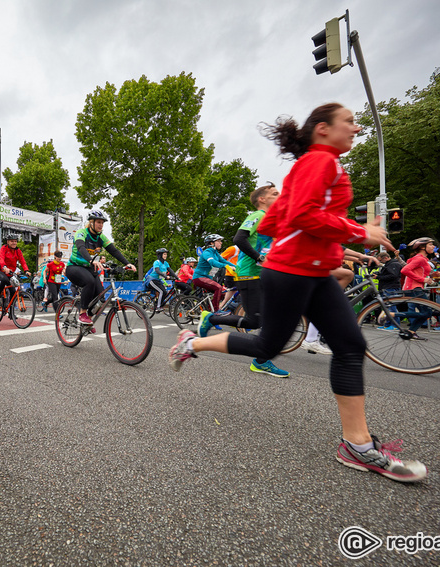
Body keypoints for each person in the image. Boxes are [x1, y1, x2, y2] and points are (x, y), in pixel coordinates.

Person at [169, 102, 426, 482]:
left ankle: (357, 444)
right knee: (265, 345)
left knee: (350, 346)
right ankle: (192, 342)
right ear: (323, 129)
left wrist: (337, 238)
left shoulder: (320, 165)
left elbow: (276, 222)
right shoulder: (318, 162)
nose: (356, 128)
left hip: (313, 270)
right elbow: (298, 218)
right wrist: (359, 233)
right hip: (290, 272)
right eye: (349, 122)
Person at [199, 183, 291, 377]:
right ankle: (211, 318)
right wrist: (260, 258)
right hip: (249, 272)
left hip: (264, 274)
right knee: (254, 321)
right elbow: (239, 238)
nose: (279, 196)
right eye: (275, 194)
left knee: (271, 316)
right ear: (262, 200)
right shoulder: (257, 216)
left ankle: (261, 360)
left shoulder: (274, 221)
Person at [66, 210, 135, 325]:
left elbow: (113, 250)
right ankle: (82, 314)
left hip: (89, 268)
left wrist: (127, 263)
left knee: (101, 298)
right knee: (89, 282)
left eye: (102, 223)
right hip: (74, 267)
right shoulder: (81, 233)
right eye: (98, 222)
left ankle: (87, 321)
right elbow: (81, 247)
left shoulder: (101, 237)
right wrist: (90, 260)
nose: (101, 225)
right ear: (91, 222)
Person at [399, 237, 438, 339]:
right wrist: (422, 279)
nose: (433, 246)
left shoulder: (423, 259)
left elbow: (419, 272)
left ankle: (411, 332)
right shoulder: (419, 258)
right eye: (430, 245)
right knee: (426, 312)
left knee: (426, 313)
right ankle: (391, 314)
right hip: (413, 288)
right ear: (422, 247)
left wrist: (432, 276)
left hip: (416, 288)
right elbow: (404, 270)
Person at [191, 234, 236, 313]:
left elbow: (224, 261)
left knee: (223, 293)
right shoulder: (207, 252)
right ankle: (216, 311)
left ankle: (209, 310)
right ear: (212, 243)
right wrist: (226, 266)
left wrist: (238, 267)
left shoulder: (215, 253)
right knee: (218, 288)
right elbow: (213, 262)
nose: (221, 243)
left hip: (206, 277)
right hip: (199, 277)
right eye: (218, 241)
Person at [0, 235, 30, 306]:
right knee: (4, 280)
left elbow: (22, 261)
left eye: (15, 241)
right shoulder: (4, 249)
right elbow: (1, 259)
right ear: (8, 242)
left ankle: (11, 311)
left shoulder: (18, 251)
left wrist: (26, 270)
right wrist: (5, 267)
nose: (14, 243)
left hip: (10, 273)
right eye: (12, 241)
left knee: (13, 291)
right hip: (0, 270)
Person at [144, 248, 177, 312]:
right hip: (151, 280)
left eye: (166, 254)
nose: (166, 255)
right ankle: (158, 307)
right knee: (161, 291)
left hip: (158, 280)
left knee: (164, 292)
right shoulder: (157, 262)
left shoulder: (166, 263)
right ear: (160, 255)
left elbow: (171, 271)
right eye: (164, 254)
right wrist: (165, 276)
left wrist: (177, 277)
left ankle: (159, 304)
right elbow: (157, 271)